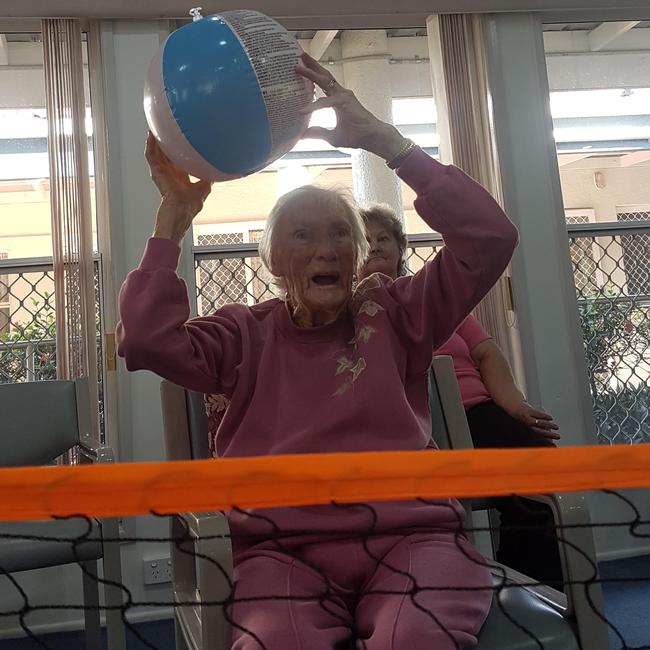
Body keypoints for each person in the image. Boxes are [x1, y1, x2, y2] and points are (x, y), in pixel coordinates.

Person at [117, 52, 518, 649]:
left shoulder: (398, 313)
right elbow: (146, 342)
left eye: (339, 234)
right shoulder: (242, 334)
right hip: (281, 556)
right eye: (302, 235)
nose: (325, 249)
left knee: (416, 642)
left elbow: (490, 239)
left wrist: (386, 142)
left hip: (414, 541)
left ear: (358, 257)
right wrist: (172, 219)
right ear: (276, 262)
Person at [361, 203, 563, 587]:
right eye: (365, 240)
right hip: (420, 427)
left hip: (478, 414)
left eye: (383, 238)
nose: (374, 246)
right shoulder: (353, 310)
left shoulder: (431, 296)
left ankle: (534, 595)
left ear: (400, 247)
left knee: (540, 480)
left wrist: (514, 404)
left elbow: (486, 353)